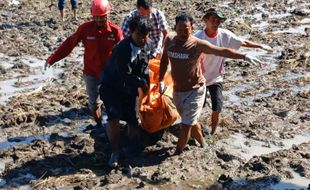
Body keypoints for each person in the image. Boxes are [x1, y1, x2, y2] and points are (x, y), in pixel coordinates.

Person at [158, 12, 262, 155]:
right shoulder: (169, 40)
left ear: (192, 28)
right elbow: (163, 61)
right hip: (178, 90)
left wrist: (244, 56)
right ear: (175, 28)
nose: (183, 33)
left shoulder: (197, 44)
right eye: (180, 30)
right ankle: (202, 142)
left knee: (186, 124)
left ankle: (177, 153)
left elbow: (221, 51)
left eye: (186, 29)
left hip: (195, 90)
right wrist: (160, 80)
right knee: (191, 121)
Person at [194, 8, 272, 135]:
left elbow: (242, 42)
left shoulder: (224, 35)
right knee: (197, 108)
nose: (216, 23)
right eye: (213, 20)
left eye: (218, 21)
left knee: (217, 107)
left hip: (215, 78)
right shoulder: (197, 37)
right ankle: (196, 131)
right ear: (205, 20)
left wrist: (259, 46)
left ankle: (212, 132)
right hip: (199, 78)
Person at [45, 0, 123, 127]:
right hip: (90, 72)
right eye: (96, 17)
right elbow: (70, 44)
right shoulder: (85, 29)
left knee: (111, 102)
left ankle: (112, 126)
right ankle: (99, 125)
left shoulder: (115, 31)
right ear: (92, 15)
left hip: (108, 73)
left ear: (108, 15)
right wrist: (52, 58)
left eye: (102, 17)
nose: (99, 20)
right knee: (93, 103)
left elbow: (123, 51)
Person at [100, 15, 152, 168]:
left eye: (145, 36)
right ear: (130, 32)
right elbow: (125, 75)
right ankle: (115, 151)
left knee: (133, 120)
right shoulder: (122, 48)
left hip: (129, 89)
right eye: (138, 36)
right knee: (114, 117)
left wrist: (148, 83)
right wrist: (142, 83)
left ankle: (133, 148)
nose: (142, 39)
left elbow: (145, 69)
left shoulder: (146, 46)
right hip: (112, 87)